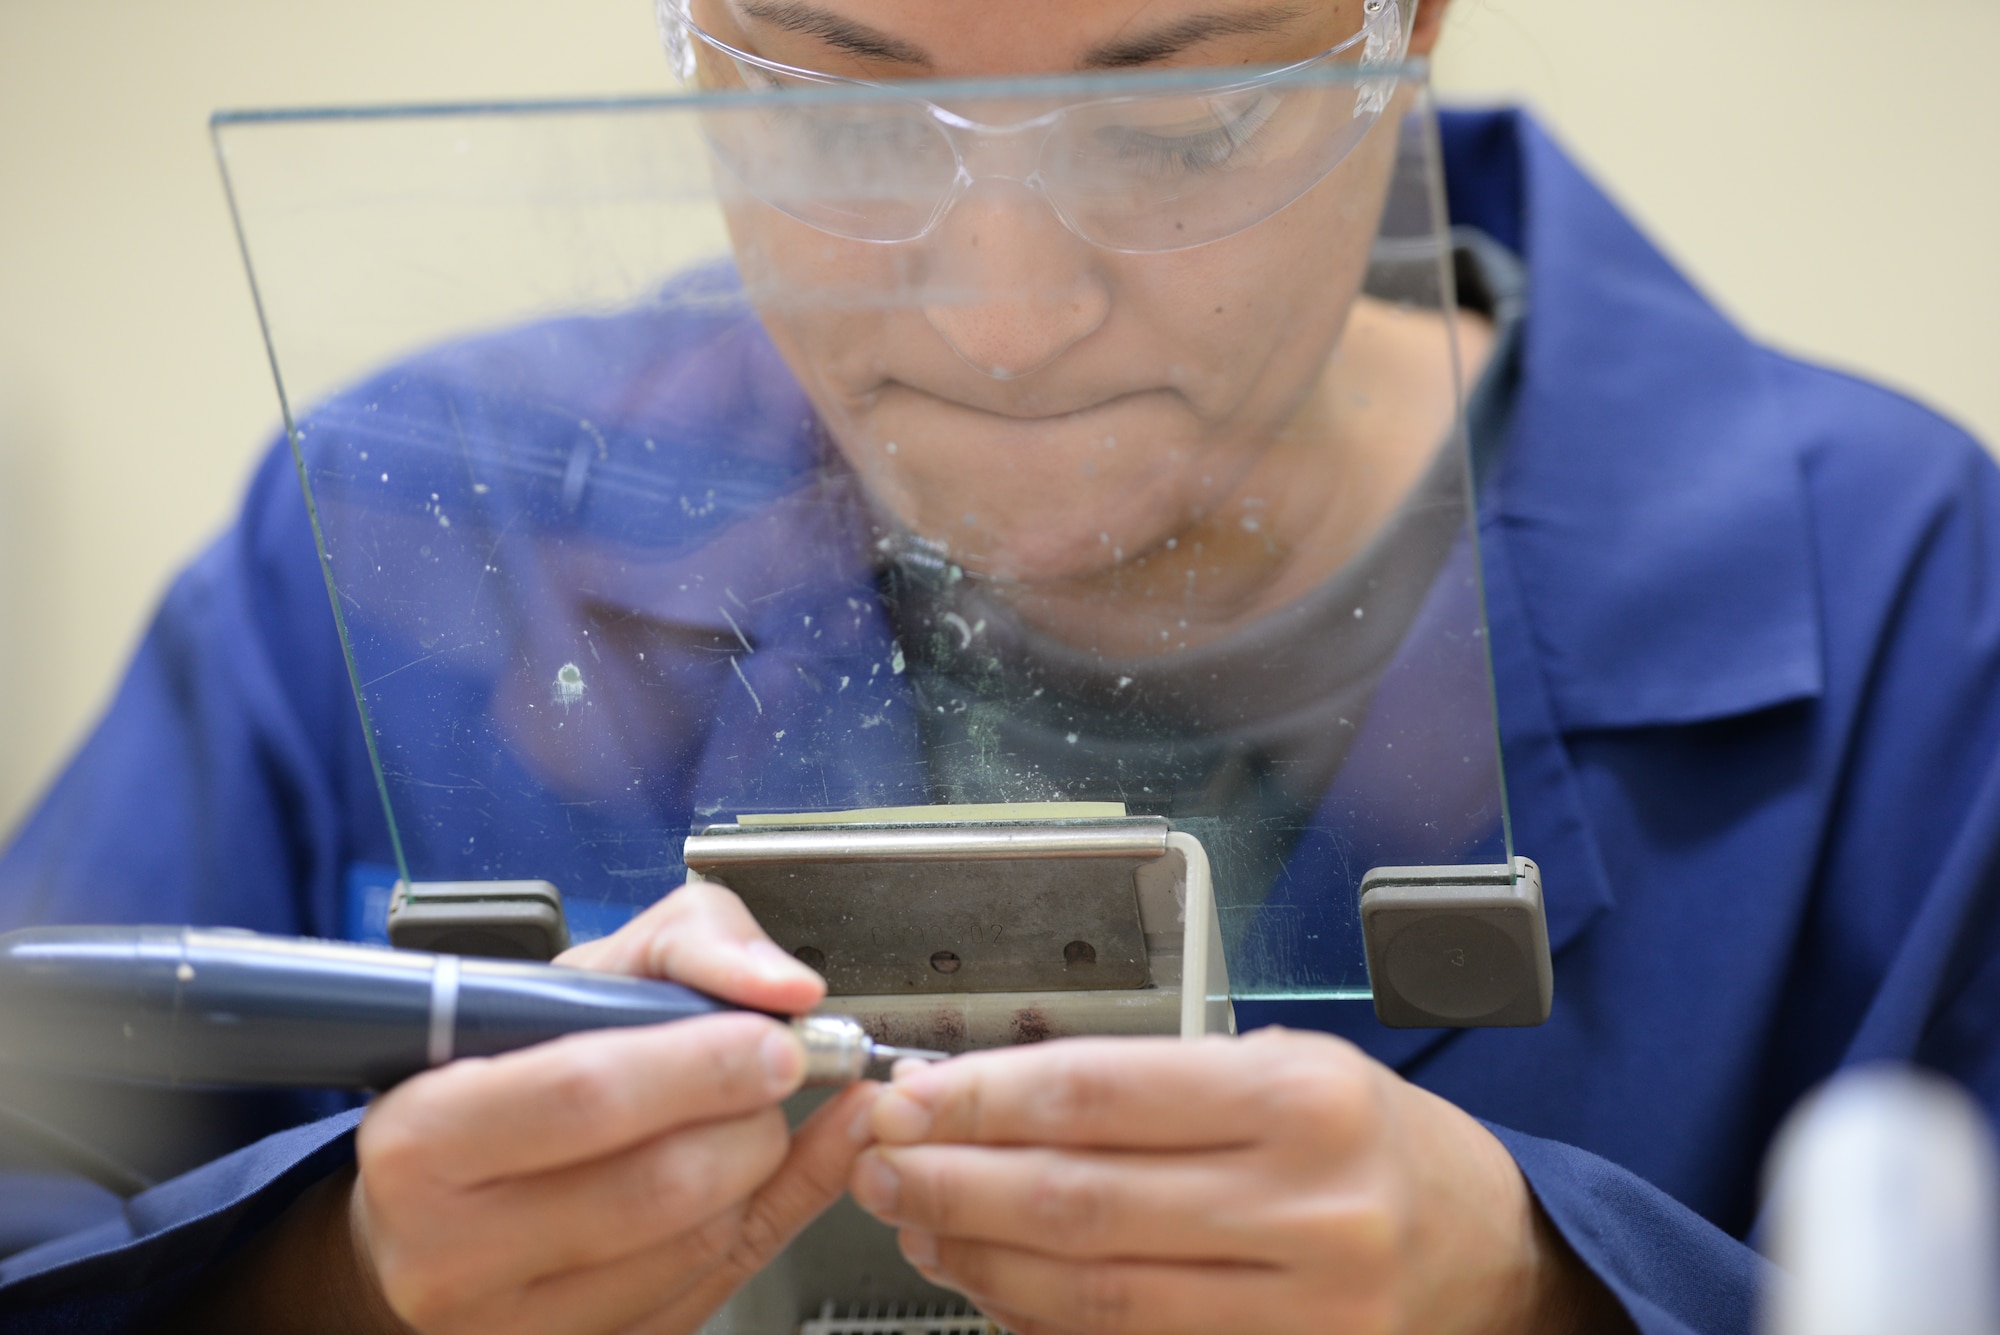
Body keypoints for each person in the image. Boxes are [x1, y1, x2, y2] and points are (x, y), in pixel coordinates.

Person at [3, 0, 1997, 1331]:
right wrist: (335, 1282)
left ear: (1409, 24)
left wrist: (1542, 1294)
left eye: (1182, 122)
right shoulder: (405, 533)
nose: (1005, 317)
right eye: (839, 109)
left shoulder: (1910, 600)